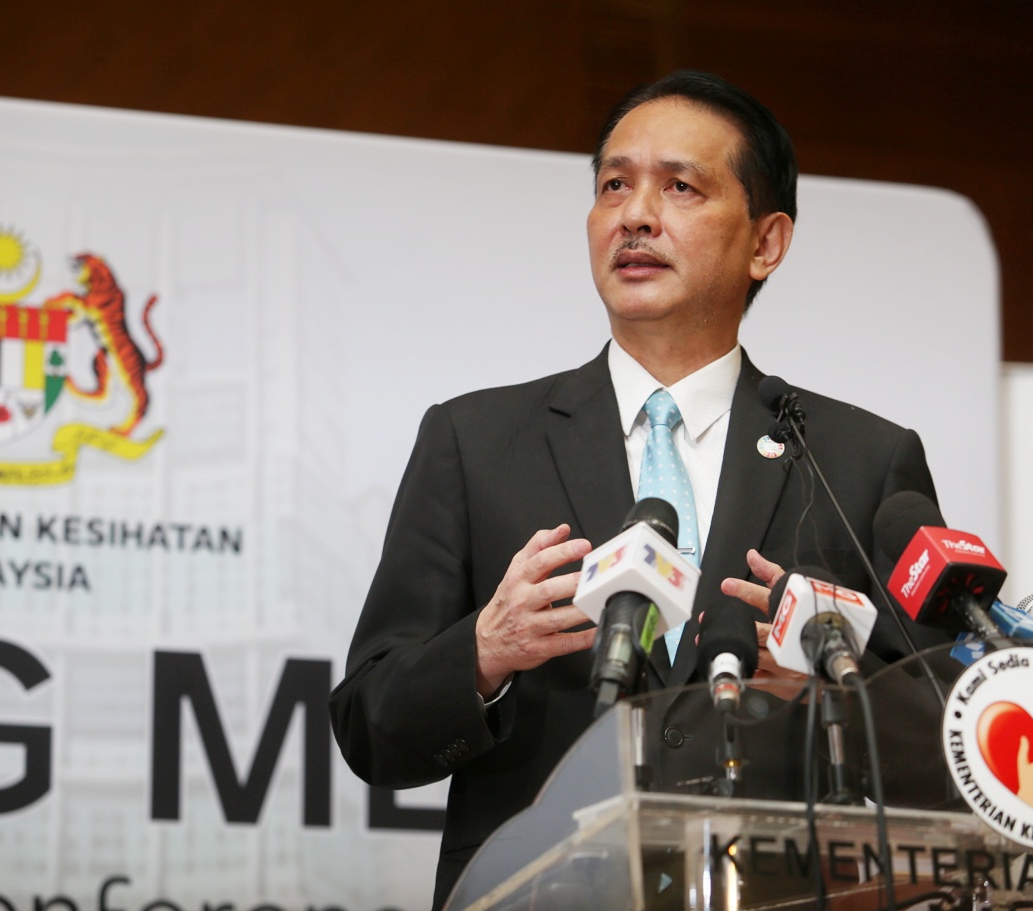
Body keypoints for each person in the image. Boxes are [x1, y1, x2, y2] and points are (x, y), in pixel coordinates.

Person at [329, 70, 943, 909]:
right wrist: (483, 649)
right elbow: (370, 724)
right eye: (613, 185)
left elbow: (949, 739)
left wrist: (834, 696)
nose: (635, 214)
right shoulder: (475, 442)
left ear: (767, 242)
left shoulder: (859, 460)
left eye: (680, 186)